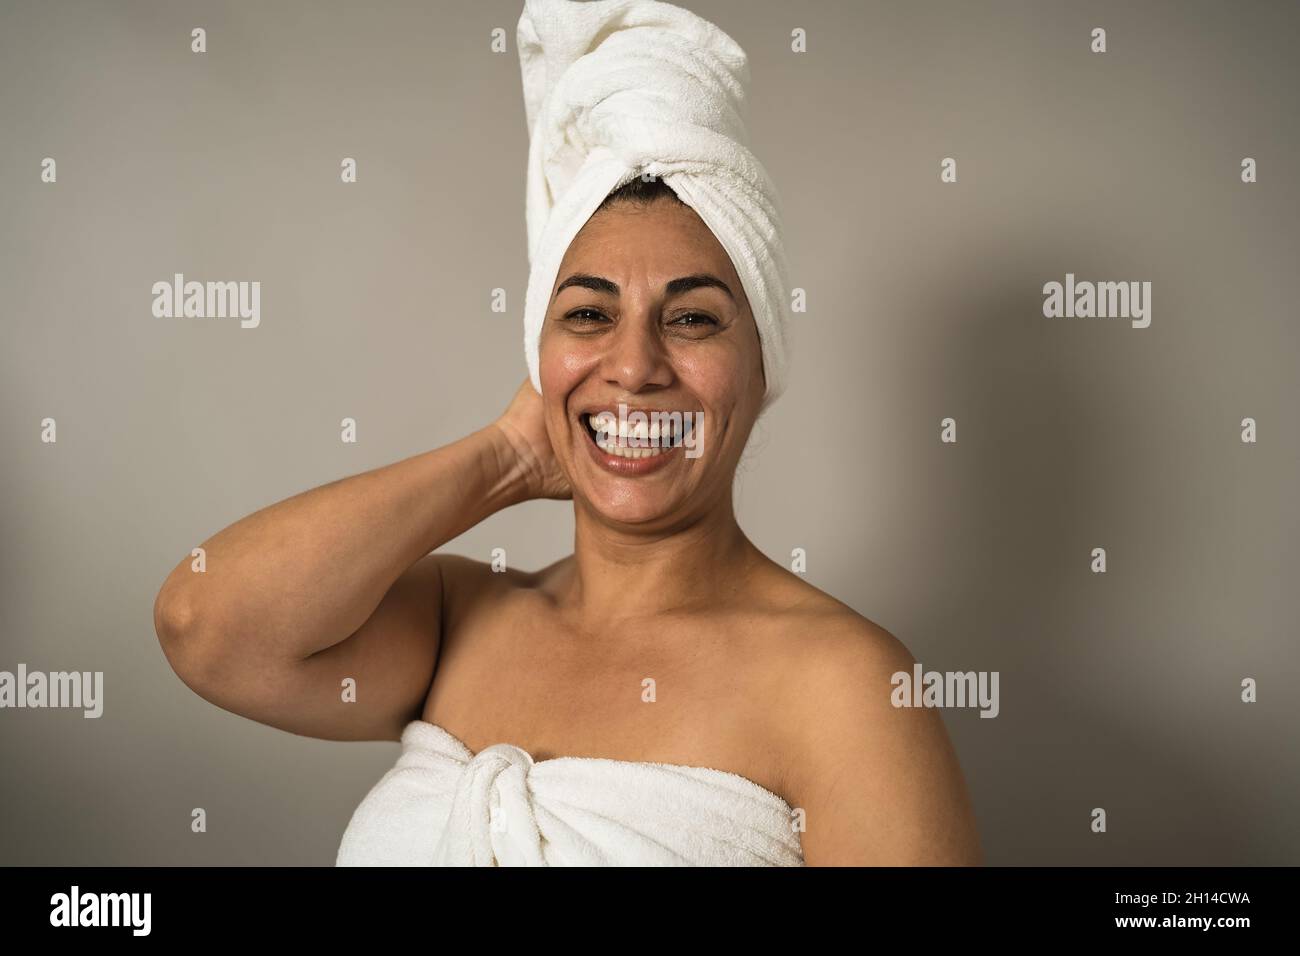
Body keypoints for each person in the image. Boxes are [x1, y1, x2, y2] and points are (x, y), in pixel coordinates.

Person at [153, 174, 982, 865]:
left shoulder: (849, 689)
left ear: (761, 369)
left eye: (692, 318)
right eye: (588, 314)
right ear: (539, 357)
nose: (632, 365)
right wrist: (506, 456)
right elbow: (206, 623)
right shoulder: (457, 621)